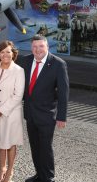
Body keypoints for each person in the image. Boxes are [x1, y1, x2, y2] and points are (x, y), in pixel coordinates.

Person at [20, 34, 69, 182]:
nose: (38, 49)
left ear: (47, 46)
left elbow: (63, 93)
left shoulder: (58, 64)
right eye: (34, 46)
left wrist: (61, 116)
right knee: (35, 147)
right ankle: (39, 174)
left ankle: (48, 177)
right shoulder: (26, 61)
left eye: (41, 46)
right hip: (30, 114)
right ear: (31, 47)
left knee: (45, 148)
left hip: (47, 115)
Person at [0, 40, 25, 182]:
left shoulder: (18, 71)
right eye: (2, 52)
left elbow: (18, 95)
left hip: (11, 113)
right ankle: (1, 169)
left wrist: (2, 110)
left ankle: (9, 171)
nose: (5, 54)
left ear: (13, 53)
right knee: (0, 142)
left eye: (8, 51)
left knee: (10, 142)